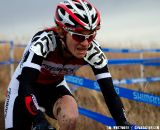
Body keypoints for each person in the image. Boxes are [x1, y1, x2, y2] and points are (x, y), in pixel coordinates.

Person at [4, 0, 132, 130]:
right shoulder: (44, 42)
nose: (86, 44)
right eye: (79, 36)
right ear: (61, 32)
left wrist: (122, 122)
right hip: (23, 88)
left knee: (70, 116)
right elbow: (26, 84)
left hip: (53, 87)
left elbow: (109, 91)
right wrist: (39, 120)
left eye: (91, 35)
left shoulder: (92, 51)